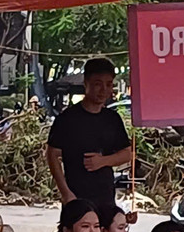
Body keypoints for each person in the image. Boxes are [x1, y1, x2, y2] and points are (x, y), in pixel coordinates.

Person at [46, 58, 134, 212]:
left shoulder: (112, 119)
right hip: (76, 198)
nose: (103, 90)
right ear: (86, 84)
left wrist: (103, 161)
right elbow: (52, 154)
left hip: (106, 197)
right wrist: (65, 193)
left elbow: (127, 154)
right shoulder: (67, 119)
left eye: (108, 84)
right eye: (98, 84)